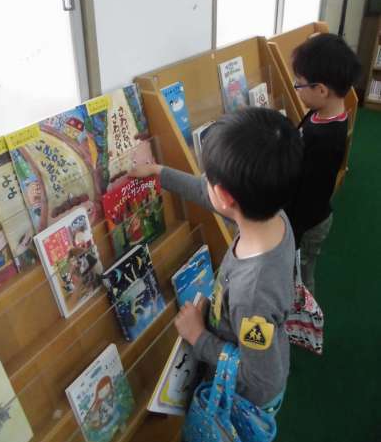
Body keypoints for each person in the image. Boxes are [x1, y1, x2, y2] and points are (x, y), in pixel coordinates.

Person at [130, 107, 303, 413]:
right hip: (250, 344)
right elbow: (207, 192)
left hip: (245, 401)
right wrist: (159, 172)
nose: (204, 183)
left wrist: (198, 337)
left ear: (225, 197)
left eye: (208, 179)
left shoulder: (253, 294)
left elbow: (260, 378)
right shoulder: (273, 215)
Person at [286, 33, 361, 295]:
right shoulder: (323, 113)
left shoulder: (326, 139)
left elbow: (308, 197)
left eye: (299, 84)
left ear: (321, 90)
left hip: (308, 224)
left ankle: (307, 317)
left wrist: (292, 234)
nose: (296, 89)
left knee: (302, 277)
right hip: (309, 217)